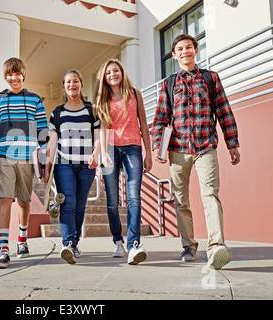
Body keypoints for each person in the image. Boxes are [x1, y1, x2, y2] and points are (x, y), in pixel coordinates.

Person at [152, 34, 240, 270]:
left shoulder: (211, 78)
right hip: (177, 151)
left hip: (205, 147)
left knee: (210, 194)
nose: (184, 52)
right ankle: (189, 245)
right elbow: (160, 119)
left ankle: (216, 246)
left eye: (189, 47)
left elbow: (224, 110)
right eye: (180, 49)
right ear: (174, 55)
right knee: (181, 200)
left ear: (196, 50)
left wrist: (232, 143)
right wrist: (159, 147)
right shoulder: (169, 83)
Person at [0, 57, 49, 269]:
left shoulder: (35, 99)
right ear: (6, 77)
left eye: (17, 73)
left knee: (24, 201)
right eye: (9, 75)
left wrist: (43, 157)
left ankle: (22, 239)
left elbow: (42, 128)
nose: (14, 78)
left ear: (23, 75)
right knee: (4, 198)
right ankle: (3, 248)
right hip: (3, 155)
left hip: (27, 156)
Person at [93, 58, 152, 265]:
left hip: (133, 148)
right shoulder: (103, 97)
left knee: (134, 197)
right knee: (112, 201)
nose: (112, 75)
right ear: (105, 77)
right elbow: (102, 127)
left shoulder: (135, 94)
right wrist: (102, 154)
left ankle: (134, 245)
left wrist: (149, 153)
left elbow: (143, 124)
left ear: (121, 72)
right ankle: (118, 240)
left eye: (115, 71)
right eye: (108, 73)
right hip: (110, 148)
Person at [44, 70, 100, 264]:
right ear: (64, 86)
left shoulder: (92, 110)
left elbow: (99, 135)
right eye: (68, 82)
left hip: (87, 165)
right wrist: (47, 165)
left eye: (75, 81)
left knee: (80, 205)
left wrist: (96, 152)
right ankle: (67, 243)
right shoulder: (57, 113)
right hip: (64, 164)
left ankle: (74, 243)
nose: (72, 85)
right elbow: (52, 141)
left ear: (81, 85)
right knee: (67, 203)